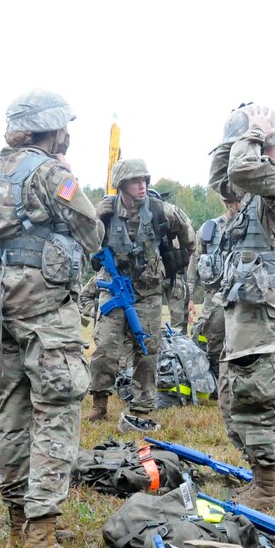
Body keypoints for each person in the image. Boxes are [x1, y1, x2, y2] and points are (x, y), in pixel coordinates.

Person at [0, 89, 103, 548]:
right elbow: (92, 231)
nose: (68, 134)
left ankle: (17, 522)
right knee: (56, 411)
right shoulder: (53, 173)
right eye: (64, 126)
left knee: (12, 410)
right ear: (52, 128)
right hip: (46, 311)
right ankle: (41, 537)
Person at [208, 103, 275, 510]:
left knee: (256, 393)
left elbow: (243, 170)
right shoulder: (247, 194)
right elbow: (223, 178)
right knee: (234, 393)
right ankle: (259, 476)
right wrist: (234, 140)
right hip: (242, 305)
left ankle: (268, 487)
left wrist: (252, 136)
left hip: (262, 306)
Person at [88, 159, 194, 427]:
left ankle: (144, 404)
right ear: (121, 184)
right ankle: (99, 404)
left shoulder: (162, 211)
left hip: (148, 291)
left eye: (145, 180)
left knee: (146, 349)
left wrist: (175, 262)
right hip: (113, 286)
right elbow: (84, 238)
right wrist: (95, 219)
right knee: (105, 347)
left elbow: (189, 237)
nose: (142, 186)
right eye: (136, 181)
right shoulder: (105, 211)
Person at [189, 197, 242, 382]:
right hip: (215, 296)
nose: (235, 203)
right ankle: (218, 383)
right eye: (231, 199)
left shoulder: (254, 228)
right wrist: (189, 296)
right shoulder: (208, 229)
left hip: (245, 295)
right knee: (214, 340)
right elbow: (195, 263)